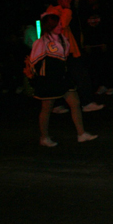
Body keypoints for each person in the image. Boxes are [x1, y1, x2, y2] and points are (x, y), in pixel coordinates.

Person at [29, 14, 98, 147]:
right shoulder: (41, 42)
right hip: (49, 80)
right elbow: (33, 61)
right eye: (58, 24)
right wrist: (38, 78)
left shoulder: (63, 39)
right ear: (51, 26)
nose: (61, 26)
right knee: (47, 108)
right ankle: (44, 137)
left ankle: (81, 133)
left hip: (62, 77)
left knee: (75, 102)